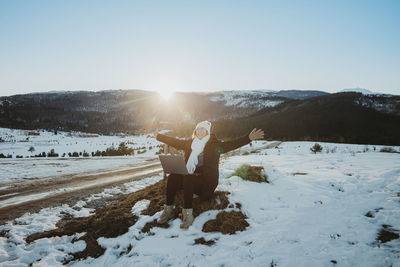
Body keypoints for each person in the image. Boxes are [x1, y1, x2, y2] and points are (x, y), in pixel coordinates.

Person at [154, 121, 264, 229]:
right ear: (195, 131)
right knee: (173, 176)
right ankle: (168, 210)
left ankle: (188, 214)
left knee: (188, 178)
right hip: (191, 177)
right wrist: (159, 136)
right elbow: (175, 142)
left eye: (203, 129)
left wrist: (248, 138)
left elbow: (232, 144)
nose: (200, 131)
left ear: (207, 132)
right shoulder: (190, 143)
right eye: (198, 129)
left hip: (206, 183)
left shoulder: (214, 145)